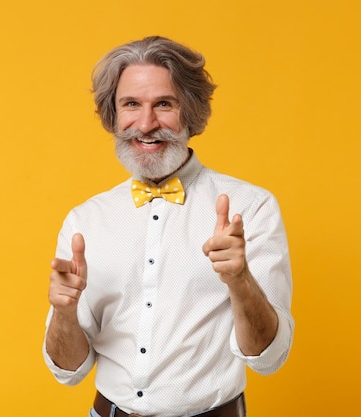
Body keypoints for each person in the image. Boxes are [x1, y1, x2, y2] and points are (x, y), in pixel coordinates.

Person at [43, 36, 294, 417]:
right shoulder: (85, 221)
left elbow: (269, 358)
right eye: (131, 104)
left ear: (189, 112)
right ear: (113, 114)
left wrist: (240, 279)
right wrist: (64, 311)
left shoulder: (252, 207)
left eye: (164, 104)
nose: (145, 124)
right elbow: (68, 371)